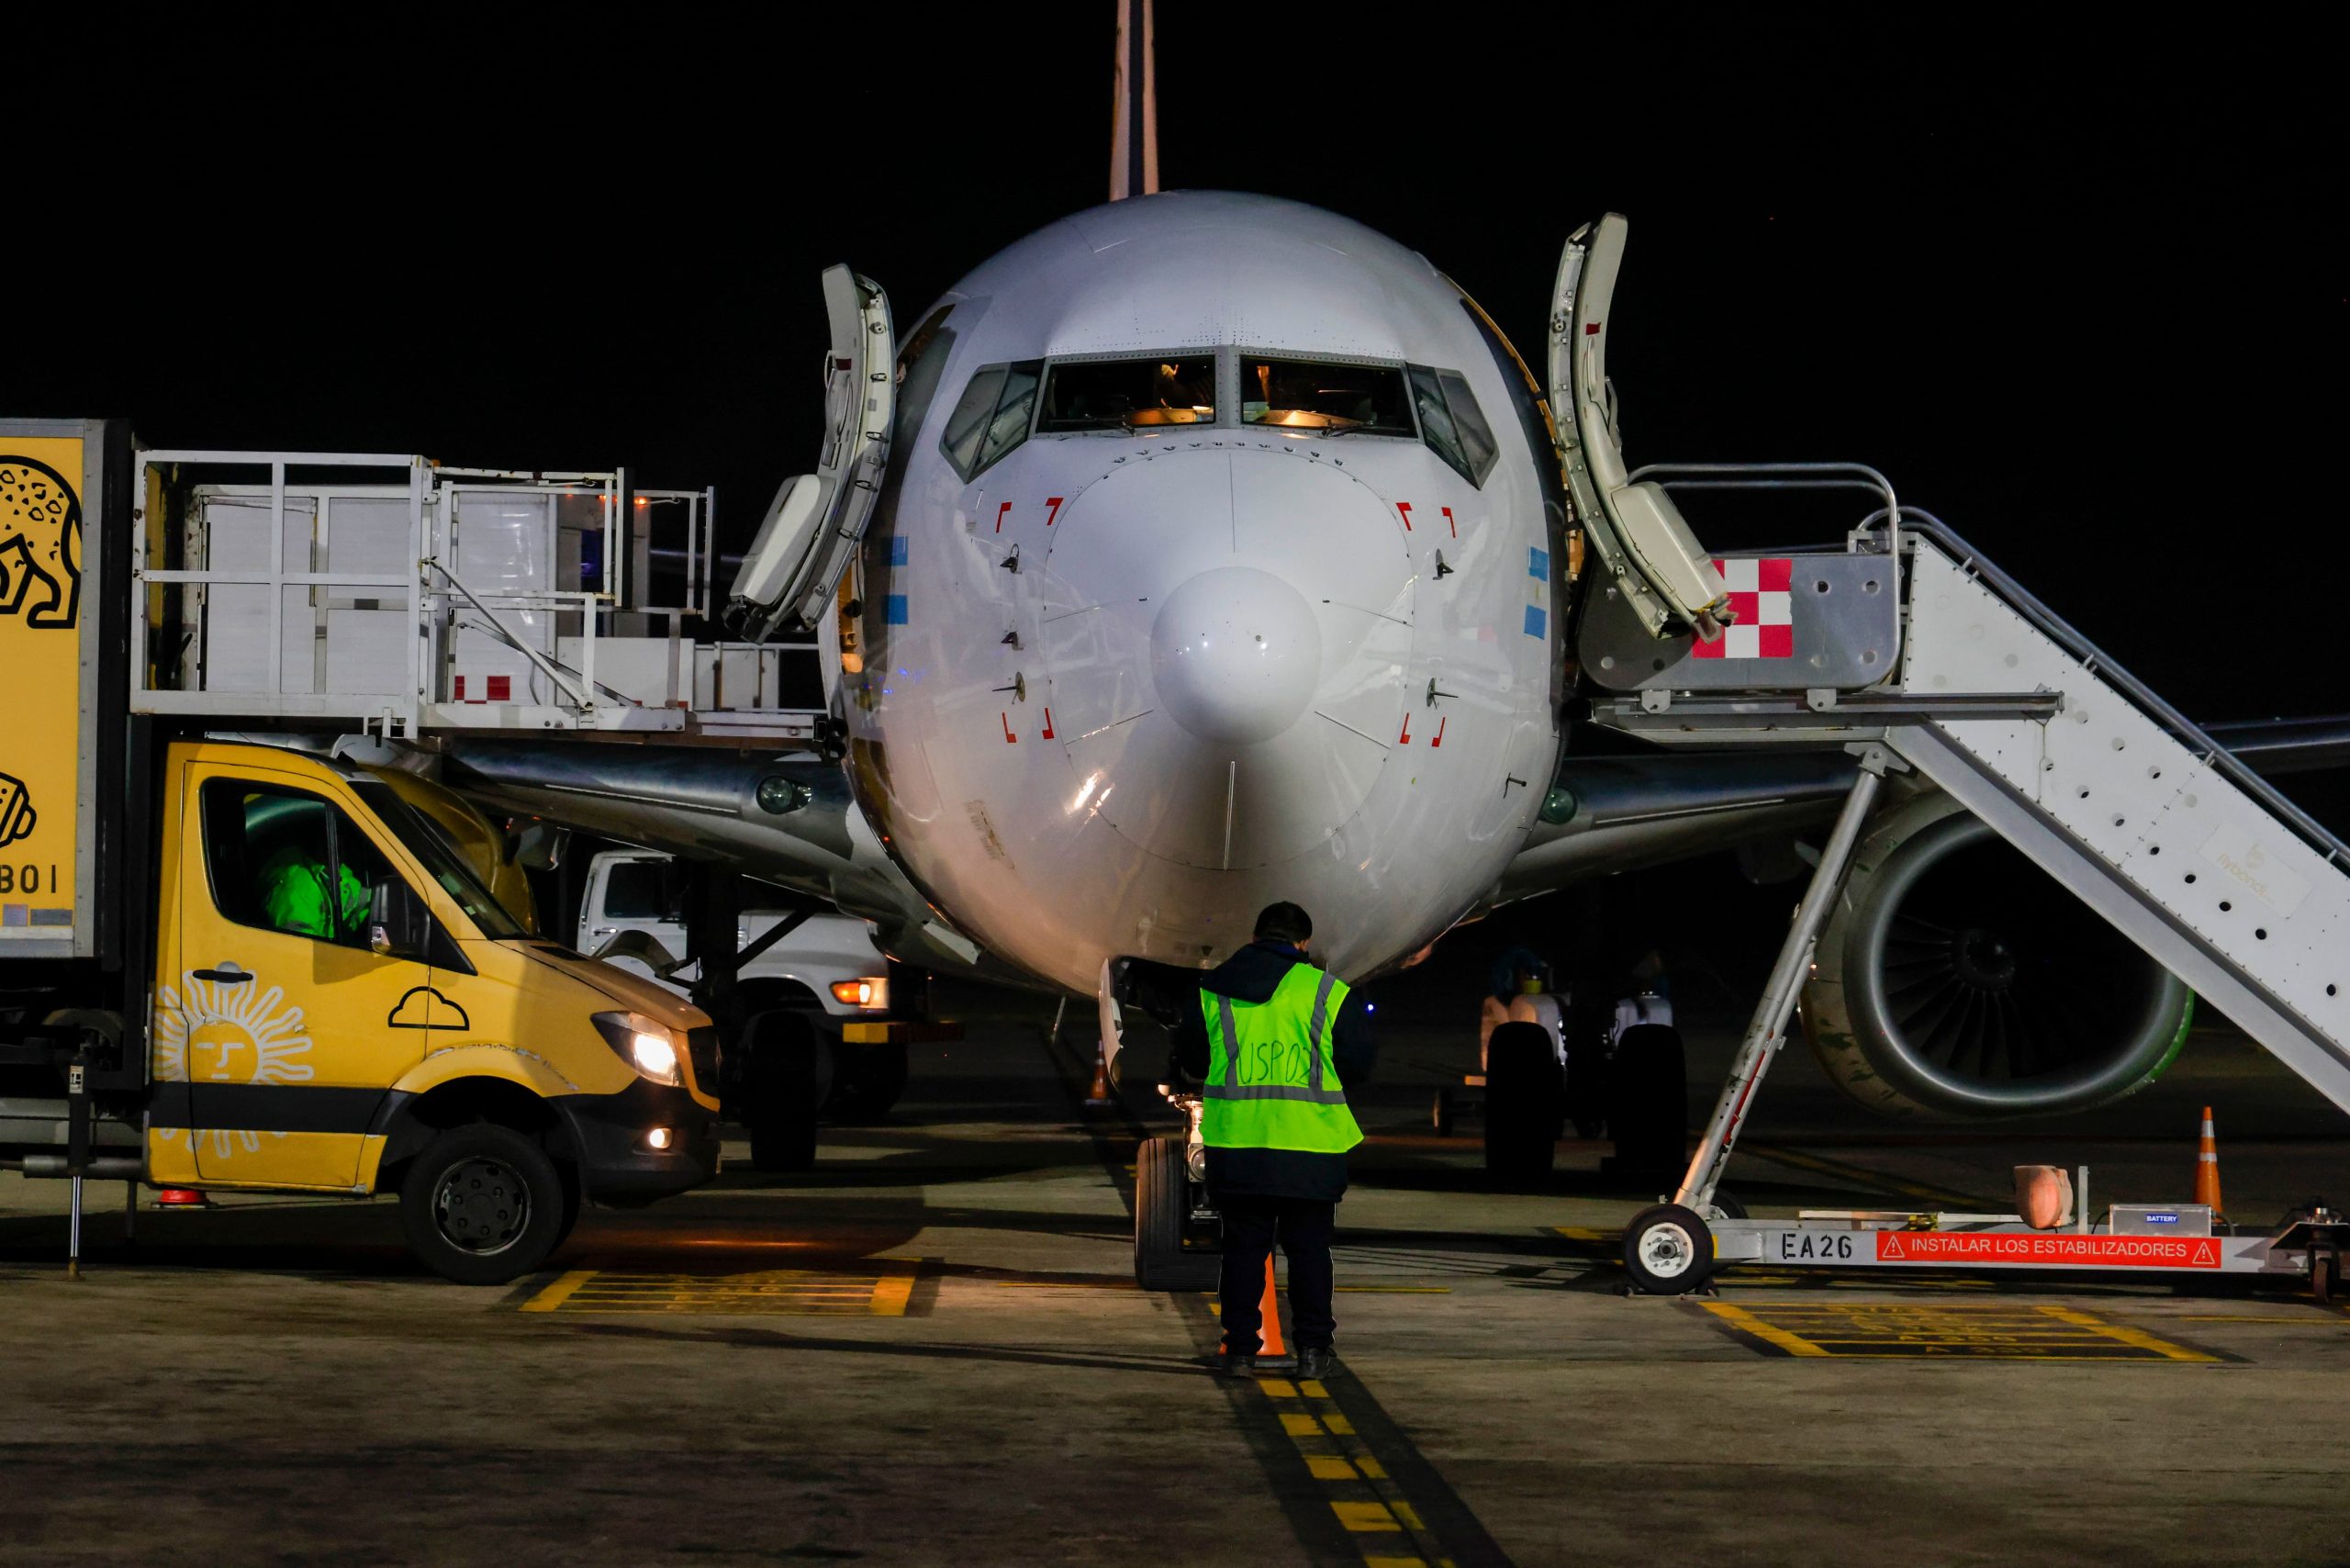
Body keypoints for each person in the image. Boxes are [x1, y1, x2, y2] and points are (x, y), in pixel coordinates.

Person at [1174, 901, 1375, 1379]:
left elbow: (1192, 1061)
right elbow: (1358, 1066)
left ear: (1255, 936)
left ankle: (1241, 1351)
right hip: (1311, 1148)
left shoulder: (1211, 991)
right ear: (1302, 943)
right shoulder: (1327, 992)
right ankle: (1312, 1352)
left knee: (1243, 1251)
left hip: (1239, 1144)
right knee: (1309, 1251)